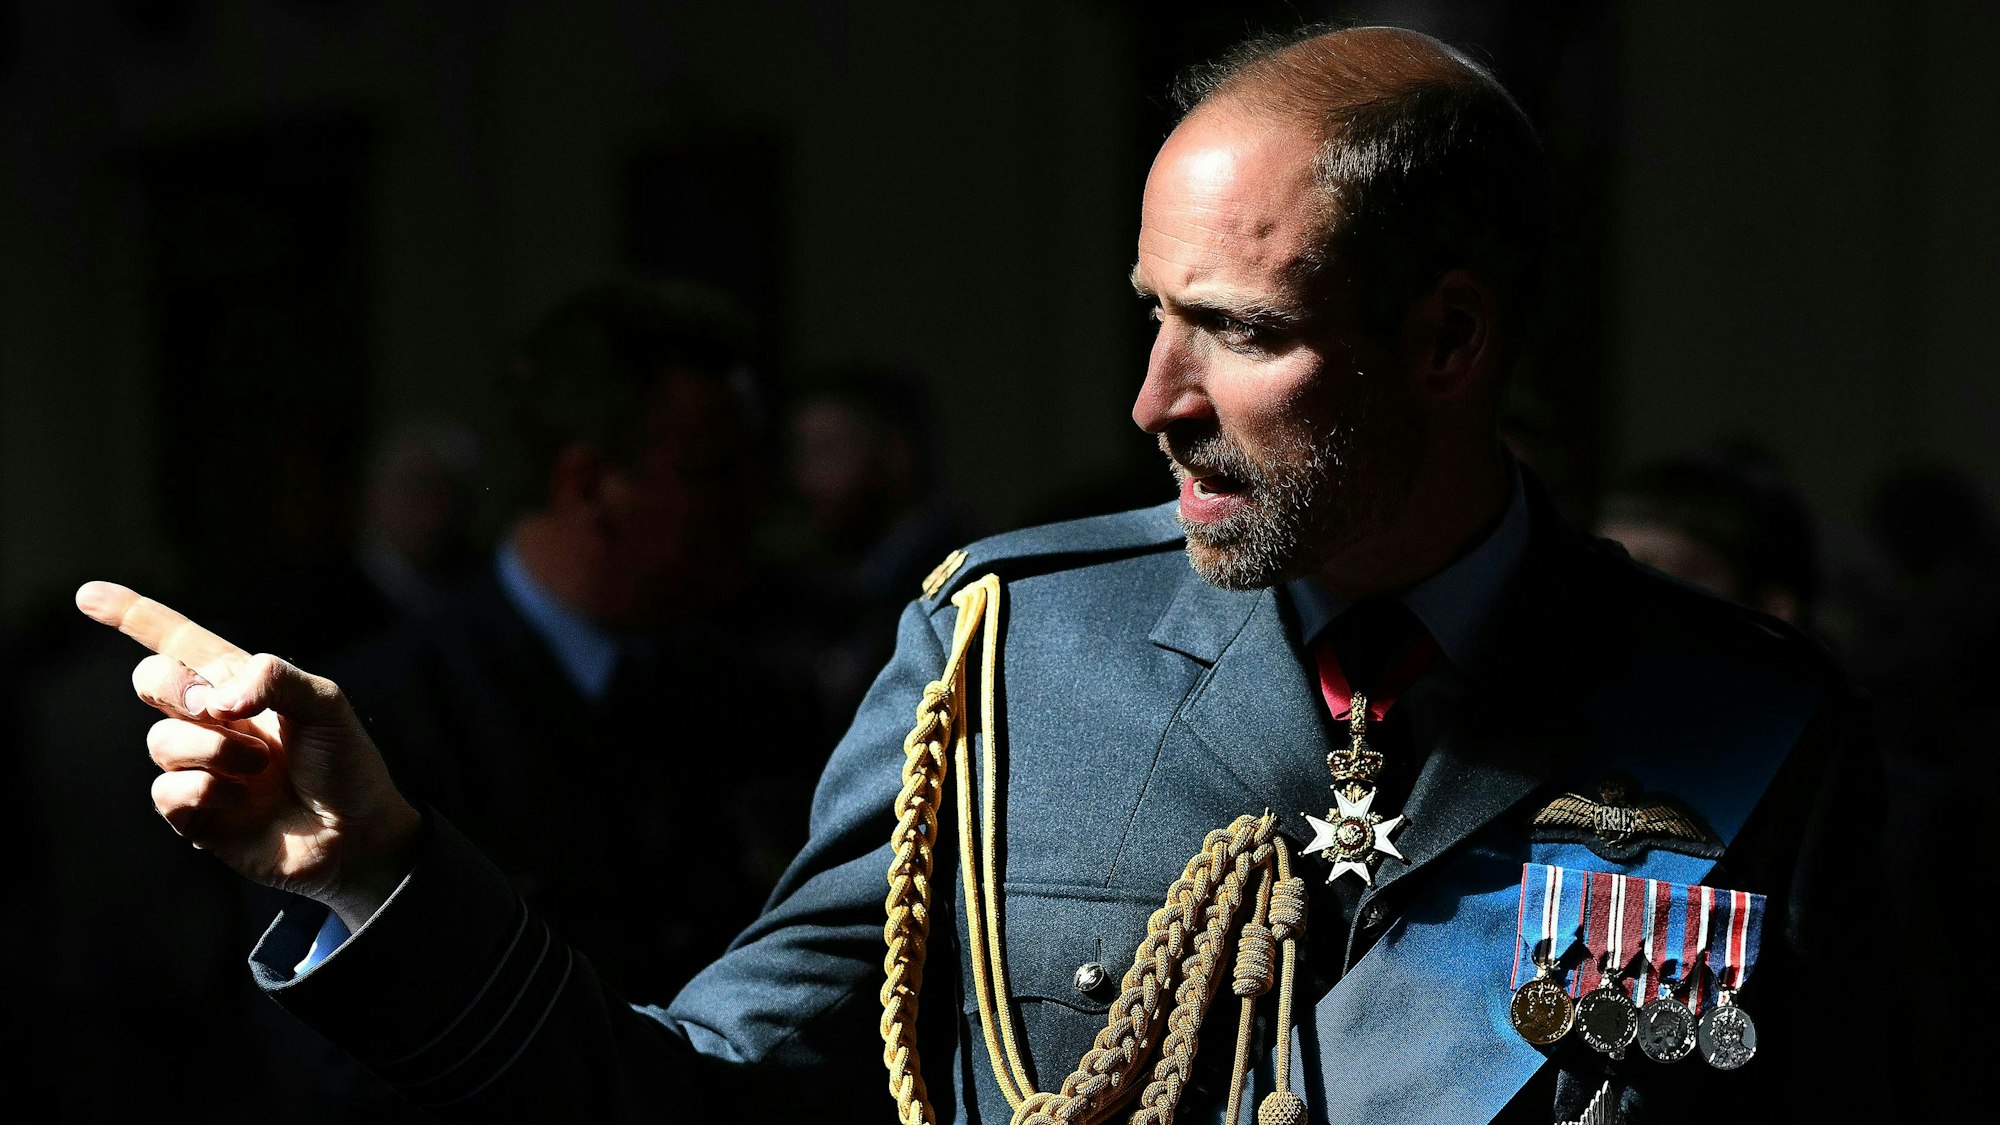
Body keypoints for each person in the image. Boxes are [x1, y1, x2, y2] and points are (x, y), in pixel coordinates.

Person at [77, 26, 1886, 1123]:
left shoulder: (1755, 733)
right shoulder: (1009, 660)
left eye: (1236, 332)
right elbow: (699, 1106)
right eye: (1150, 315)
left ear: (1447, 340)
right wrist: (378, 871)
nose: (1153, 400)